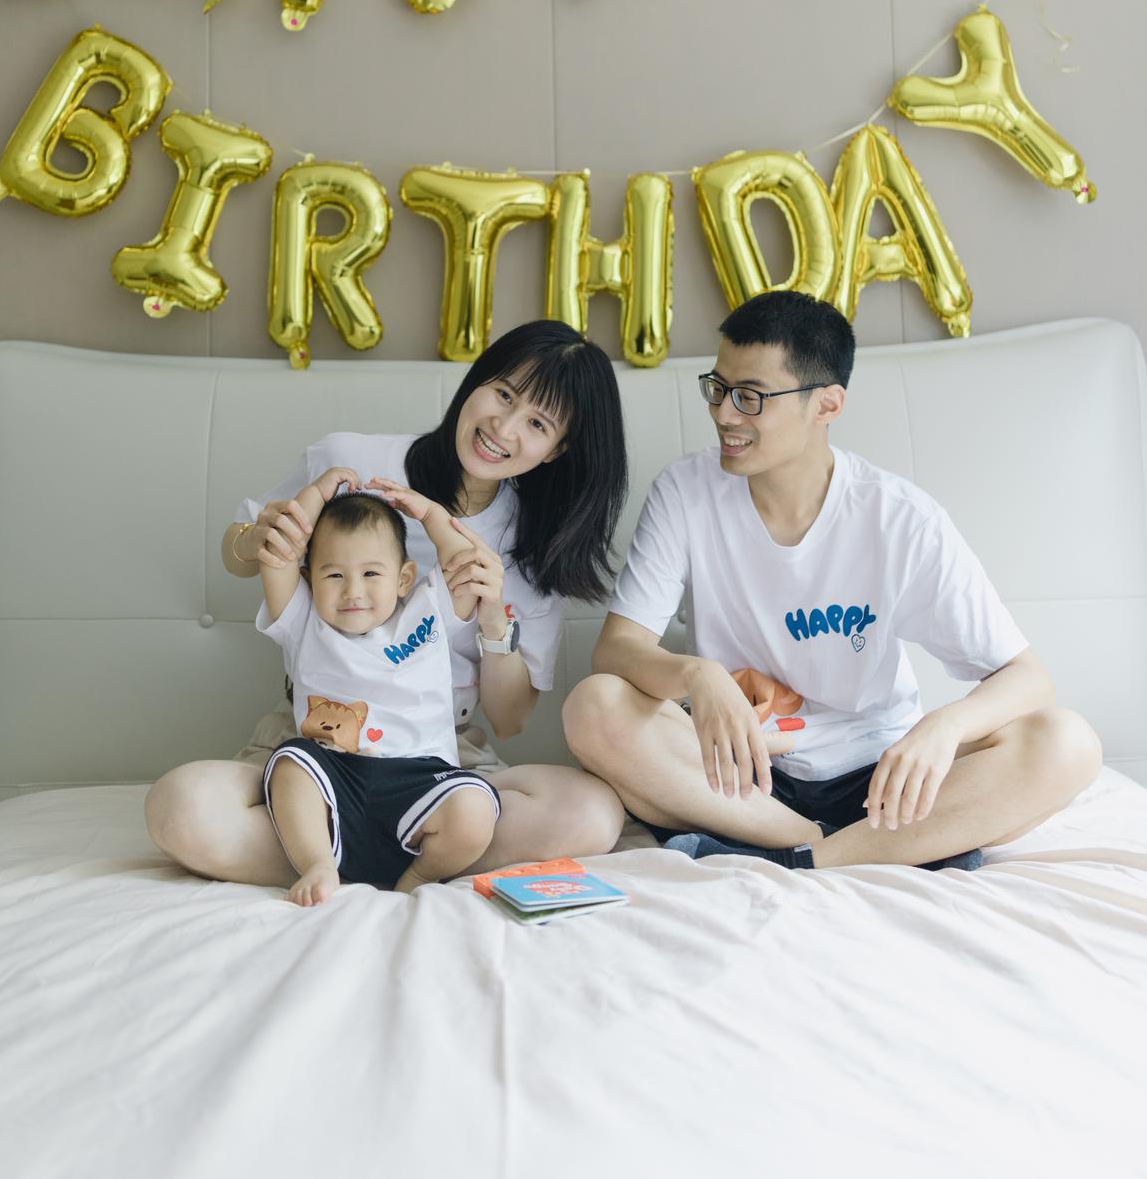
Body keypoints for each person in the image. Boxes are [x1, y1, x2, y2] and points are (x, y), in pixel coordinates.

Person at [563, 290, 1103, 872]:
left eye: (750, 397)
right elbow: (616, 651)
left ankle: (807, 860)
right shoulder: (685, 493)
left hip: (879, 774)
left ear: (826, 404)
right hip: (744, 775)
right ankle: (837, 846)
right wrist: (700, 675)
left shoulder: (898, 518)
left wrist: (945, 726)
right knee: (595, 706)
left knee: (1067, 744)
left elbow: (1027, 678)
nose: (724, 414)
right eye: (717, 388)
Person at [145, 320, 629, 887]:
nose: (503, 427)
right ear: (477, 380)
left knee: (593, 815)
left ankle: (354, 850)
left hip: (439, 753)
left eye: (537, 423)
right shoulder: (350, 463)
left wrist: (493, 615)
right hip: (315, 738)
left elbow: (510, 719)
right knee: (180, 808)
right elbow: (241, 552)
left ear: (557, 450)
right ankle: (383, 853)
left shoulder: (539, 545)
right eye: (503, 394)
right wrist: (257, 541)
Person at [259, 469, 502, 903]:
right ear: (310, 579)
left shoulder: (428, 610)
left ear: (404, 578)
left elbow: (466, 562)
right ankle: (318, 863)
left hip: (422, 776)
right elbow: (278, 555)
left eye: (371, 573)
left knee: (474, 808)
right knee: (291, 764)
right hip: (334, 772)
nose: (353, 591)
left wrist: (429, 513)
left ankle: (420, 876)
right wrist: (316, 493)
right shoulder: (304, 620)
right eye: (334, 576)